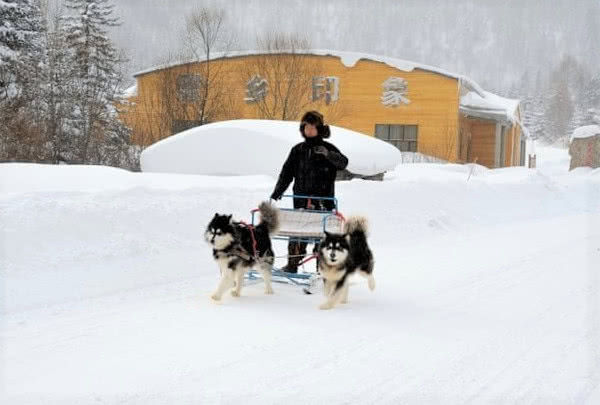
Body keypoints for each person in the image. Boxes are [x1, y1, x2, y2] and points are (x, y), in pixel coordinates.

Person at [270, 110, 349, 273]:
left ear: (319, 129)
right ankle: (292, 265)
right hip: (300, 199)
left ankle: (322, 268)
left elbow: (343, 163)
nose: (310, 130)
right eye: (307, 127)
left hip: (323, 201)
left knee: (322, 236)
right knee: (297, 233)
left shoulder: (328, 149)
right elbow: (286, 173)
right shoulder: (297, 150)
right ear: (302, 129)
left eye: (313, 127)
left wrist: (328, 154)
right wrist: (278, 191)